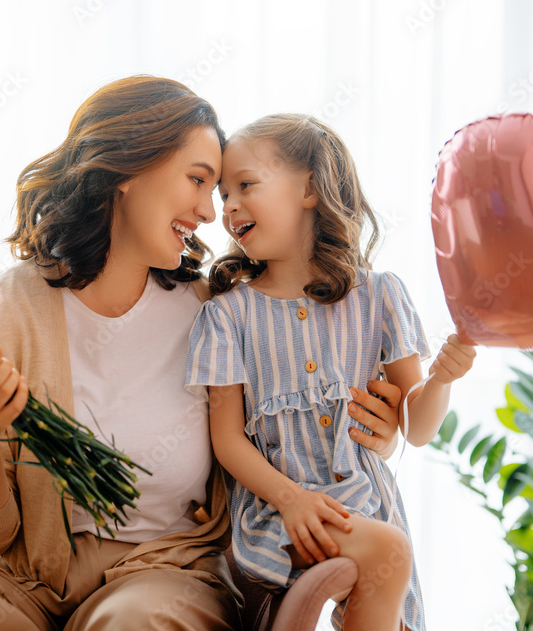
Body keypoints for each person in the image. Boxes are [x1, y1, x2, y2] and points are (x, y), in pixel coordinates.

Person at [0, 77, 404, 630]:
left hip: (165, 576)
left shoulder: (214, 312)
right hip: (27, 587)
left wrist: (378, 428)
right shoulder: (1, 316)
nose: (209, 214)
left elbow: (293, 418)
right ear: (127, 169)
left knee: (136, 623)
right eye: (197, 181)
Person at [186, 114, 477, 631]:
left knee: (388, 571)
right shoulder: (229, 314)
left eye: (245, 185)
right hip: (279, 514)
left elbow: (418, 427)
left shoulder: (380, 296)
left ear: (310, 189)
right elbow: (227, 440)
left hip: (370, 505)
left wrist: (442, 381)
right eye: (223, 192)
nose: (227, 206)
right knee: (383, 550)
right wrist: (292, 499)